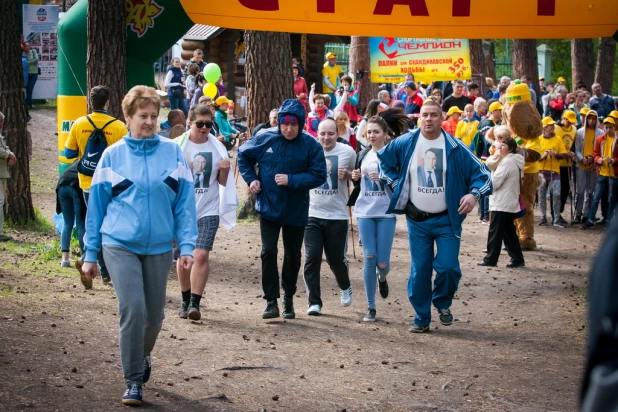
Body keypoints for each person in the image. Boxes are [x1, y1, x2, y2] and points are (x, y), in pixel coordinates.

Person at [80, 86, 197, 406]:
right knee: (132, 308)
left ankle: (142, 355)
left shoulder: (172, 153)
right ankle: (133, 380)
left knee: (155, 317)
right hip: (119, 244)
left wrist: (187, 247)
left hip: (159, 246)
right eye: (142, 116)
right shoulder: (112, 156)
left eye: (153, 116)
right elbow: (96, 210)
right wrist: (90, 254)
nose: (148, 122)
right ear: (128, 117)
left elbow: (185, 204)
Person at [378, 100, 491, 333]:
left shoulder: (455, 147)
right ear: (419, 119)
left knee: (448, 267)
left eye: (433, 115)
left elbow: (483, 173)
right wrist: (396, 183)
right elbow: (383, 163)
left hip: (447, 219)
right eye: (424, 115)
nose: (428, 119)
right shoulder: (406, 142)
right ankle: (421, 317)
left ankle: (442, 302)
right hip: (417, 220)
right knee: (420, 269)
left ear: (442, 119)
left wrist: (473, 195)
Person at [237, 99, 326, 319]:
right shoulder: (265, 138)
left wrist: (292, 180)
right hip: (269, 206)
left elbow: (319, 175)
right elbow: (243, 155)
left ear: (301, 124)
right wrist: (251, 179)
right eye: (284, 123)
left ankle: (288, 297)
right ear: (279, 123)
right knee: (268, 252)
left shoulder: (310, 145)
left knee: (293, 256)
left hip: (296, 209)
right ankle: (271, 301)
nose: (288, 128)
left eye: (293, 124)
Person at [174, 104, 237, 320]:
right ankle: (184, 299)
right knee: (185, 257)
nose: (204, 128)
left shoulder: (217, 148)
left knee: (200, 255)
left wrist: (226, 170)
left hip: (208, 207)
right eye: (199, 124)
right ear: (189, 123)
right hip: (183, 209)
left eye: (208, 124)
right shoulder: (178, 147)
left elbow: (220, 183)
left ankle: (194, 303)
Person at [64, 85, 128, 288]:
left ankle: (94, 263)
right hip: (113, 185)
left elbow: (68, 154)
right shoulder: (118, 126)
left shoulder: (80, 123)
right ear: (108, 102)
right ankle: (107, 271)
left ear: (90, 103)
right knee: (110, 226)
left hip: (87, 184)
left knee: (95, 224)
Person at [348, 111, 408, 322]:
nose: (372, 135)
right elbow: (358, 181)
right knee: (369, 257)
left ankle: (382, 277)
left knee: (382, 263)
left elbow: (401, 183)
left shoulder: (392, 155)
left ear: (385, 134)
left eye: (376, 132)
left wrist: (384, 179)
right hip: (364, 211)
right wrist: (355, 177)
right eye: (369, 132)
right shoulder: (362, 155)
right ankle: (370, 307)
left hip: (385, 212)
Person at [303, 118, 356, 316]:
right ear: (317, 133)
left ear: (337, 134)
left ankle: (345, 285)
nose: (326, 138)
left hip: (337, 214)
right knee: (312, 257)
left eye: (330, 134)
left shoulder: (347, 152)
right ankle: (314, 302)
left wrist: (349, 175)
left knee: (336, 260)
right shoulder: (310, 151)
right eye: (322, 133)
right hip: (312, 213)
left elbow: (356, 175)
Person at [477, 137, 525, 267]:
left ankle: (490, 259)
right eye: (499, 146)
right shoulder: (512, 160)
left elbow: (496, 182)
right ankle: (517, 259)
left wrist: (486, 190)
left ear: (510, 148)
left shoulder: (507, 162)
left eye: (503, 146)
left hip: (502, 202)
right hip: (508, 201)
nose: (499, 148)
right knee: (508, 232)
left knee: (496, 231)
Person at [582, 118, 618, 229]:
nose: (608, 130)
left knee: (611, 198)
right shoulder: (599, 139)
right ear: (603, 127)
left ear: (614, 127)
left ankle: (608, 220)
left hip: (613, 174)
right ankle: (590, 219)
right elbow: (595, 154)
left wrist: (613, 161)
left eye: (610, 127)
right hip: (601, 172)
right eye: (606, 127)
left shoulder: (617, 140)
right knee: (596, 196)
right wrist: (598, 160)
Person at [471, 101, 503, 224]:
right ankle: (484, 215)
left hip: (488, 158)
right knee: (487, 186)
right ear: (494, 111)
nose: (501, 112)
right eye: (499, 110)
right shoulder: (487, 124)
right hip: (486, 158)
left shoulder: (493, 123)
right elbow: (488, 141)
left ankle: (483, 214)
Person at [537, 117, 568, 228]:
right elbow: (536, 157)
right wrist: (543, 156)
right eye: (550, 125)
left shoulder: (558, 139)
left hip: (554, 171)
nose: (553, 127)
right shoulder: (539, 139)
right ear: (544, 127)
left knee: (556, 194)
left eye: (553, 125)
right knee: (541, 194)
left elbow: (563, 154)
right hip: (541, 171)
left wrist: (554, 154)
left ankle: (556, 218)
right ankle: (543, 216)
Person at [574, 110, 604, 225]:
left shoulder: (600, 133)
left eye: (593, 119)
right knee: (580, 191)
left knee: (590, 191)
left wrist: (593, 158)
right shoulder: (580, 132)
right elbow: (576, 148)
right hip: (581, 164)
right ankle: (578, 213)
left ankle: (587, 214)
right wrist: (582, 158)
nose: (591, 121)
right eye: (589, 119)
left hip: (594, 165)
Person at [56, 162, 86, 268]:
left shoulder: (79, 160)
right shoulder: (96, 162)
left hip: (62, 184)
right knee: (81, 223)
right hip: (76, 186)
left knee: (67, 223)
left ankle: (65, 259)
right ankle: (85, 258)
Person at [554, 110, 578, 222]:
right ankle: (555, 213)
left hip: (568, 164)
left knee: (566, 189)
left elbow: (573, 144)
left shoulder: (574, 130)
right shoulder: (556, 128)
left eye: (571, 122)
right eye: (568, 121)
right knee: (557, 190)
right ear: (563, 118)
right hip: (557, 164)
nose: (569, 124)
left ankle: (559, 211)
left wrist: (572, 153)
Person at [0, 111, 16, 242]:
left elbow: (3, 149)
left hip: (2, 172)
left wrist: (9, 153)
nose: (0, 124)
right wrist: (9, 155)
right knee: (0, 201)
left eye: (1, 121)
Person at [23, 43, 39, 109]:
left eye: (28, 46)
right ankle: (31, 104)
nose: (27, 47)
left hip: (34, 73)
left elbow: (37, 59)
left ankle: (26, 103)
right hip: (26, 73)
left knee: (30, 88)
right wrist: (32, 62)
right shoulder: (23, 53)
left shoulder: (33, 51)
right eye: (26, 46)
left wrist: (28, 63)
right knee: (27, 89)